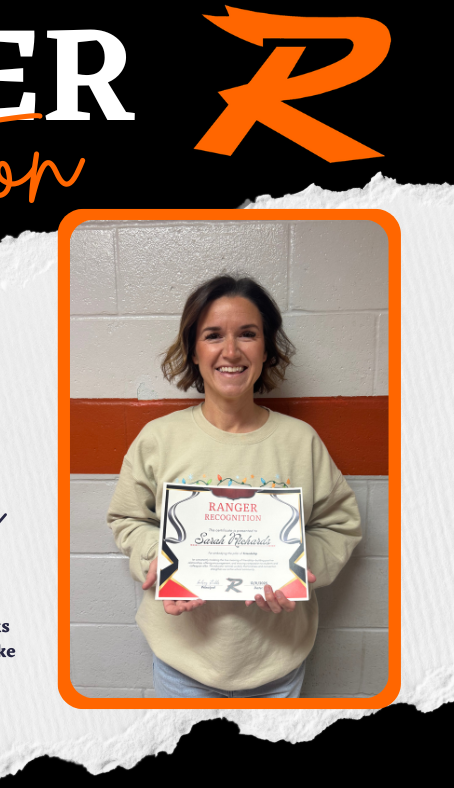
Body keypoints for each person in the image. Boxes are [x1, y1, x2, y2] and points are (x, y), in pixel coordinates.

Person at [107, 275, 361, 698]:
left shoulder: (300, 441)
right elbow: (128, 518)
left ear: (266, 348)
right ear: (193, 349)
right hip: (181, 667)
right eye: (213, 336)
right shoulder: (158, 439)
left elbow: (340, 526)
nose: (231, 351)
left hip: (276, 667)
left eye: (248, 334)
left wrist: (295, 569)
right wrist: (164, 560)